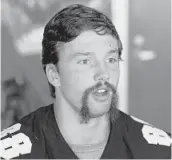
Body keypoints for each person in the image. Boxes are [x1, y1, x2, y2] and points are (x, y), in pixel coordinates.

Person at [0, 4, 171, 159]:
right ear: (54, 74)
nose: (103, 74)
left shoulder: (159, 150)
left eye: (111, 59)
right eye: (85, 61)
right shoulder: (10, 153)